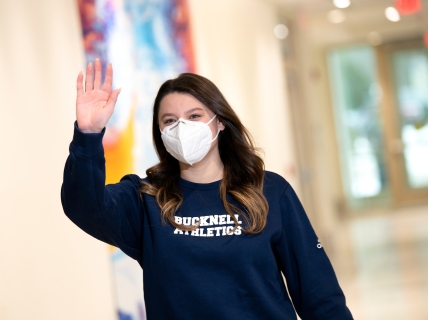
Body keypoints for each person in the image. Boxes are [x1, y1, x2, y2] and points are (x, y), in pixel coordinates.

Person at [61, 59, 353, 319]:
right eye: (170, 121)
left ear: (220, 122)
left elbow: (318, 290)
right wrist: (87, 135)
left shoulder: (269, 191)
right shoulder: (145, 199)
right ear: (161, 133)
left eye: (194, 116)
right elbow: (84, 205)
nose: (182, 127)